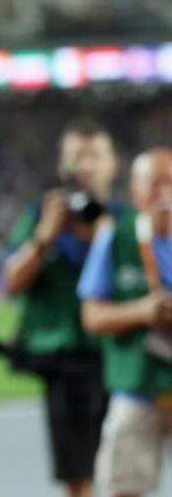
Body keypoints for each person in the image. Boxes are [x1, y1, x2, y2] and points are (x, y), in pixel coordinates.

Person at [3, 120, 118, 497]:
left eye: (94, 157)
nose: (84, 167)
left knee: (123, 464)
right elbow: (12, 281)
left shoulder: (125, 220)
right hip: (65, 360)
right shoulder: (43, 215)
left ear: (111, 164)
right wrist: (43, 239)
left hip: (121, 357)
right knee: (77, 472)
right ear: (62, 165)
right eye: (75, 158)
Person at [78, 148, 172, 497]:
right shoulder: (114, 238)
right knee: (125, 489)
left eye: (170, 182)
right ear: (134, 192)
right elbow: (92, 316)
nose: (163, 191)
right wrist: (143, 312)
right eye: (154, 182)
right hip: (137, 386)